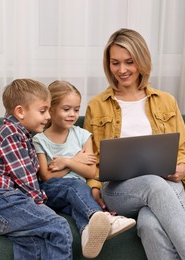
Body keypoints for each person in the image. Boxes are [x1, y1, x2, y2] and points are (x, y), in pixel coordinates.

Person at [83, 28, 185, 260]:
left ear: (141, 61)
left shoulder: (166, 101)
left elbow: (181, 151)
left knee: (150, 223)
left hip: (168, 186)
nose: (122, 70)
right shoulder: (97, 105)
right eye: (115, 63)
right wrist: (93, 185)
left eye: (129, 62)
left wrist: (181, 169)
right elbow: (89, 156)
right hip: (120, 190)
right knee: (152, 183)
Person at [0, 79, 72, 260]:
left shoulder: (22, 136)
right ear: (20, 112)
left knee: (33, 242)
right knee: (58, 225)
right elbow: (25, 179)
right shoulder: (11, 134)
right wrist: (41, 204)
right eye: (43, 111)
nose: (48, 116)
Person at [33, 80, 136, 259]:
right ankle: (104, 217)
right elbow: (47, 176)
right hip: (51, 192)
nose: (72, 114)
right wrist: (76, 160)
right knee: (74, 185)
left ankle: (87, 232)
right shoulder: (39, 140)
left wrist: (66, 162)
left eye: (76, 109)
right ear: (51, 109)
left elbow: (90, 173)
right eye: (66, 109)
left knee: (77, 202)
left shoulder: (82, 135)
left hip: (79, 193)